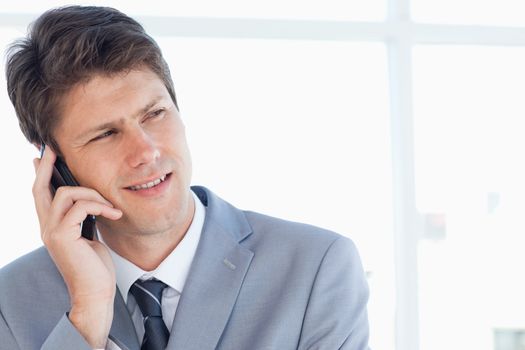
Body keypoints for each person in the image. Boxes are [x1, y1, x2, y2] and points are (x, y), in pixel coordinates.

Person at [0, 5, 369, 350]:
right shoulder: (11, 303)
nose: (147, 151)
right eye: (106, 134)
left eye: (155, 114)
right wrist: (87, 315)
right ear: (53, 163)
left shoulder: (315, 268)